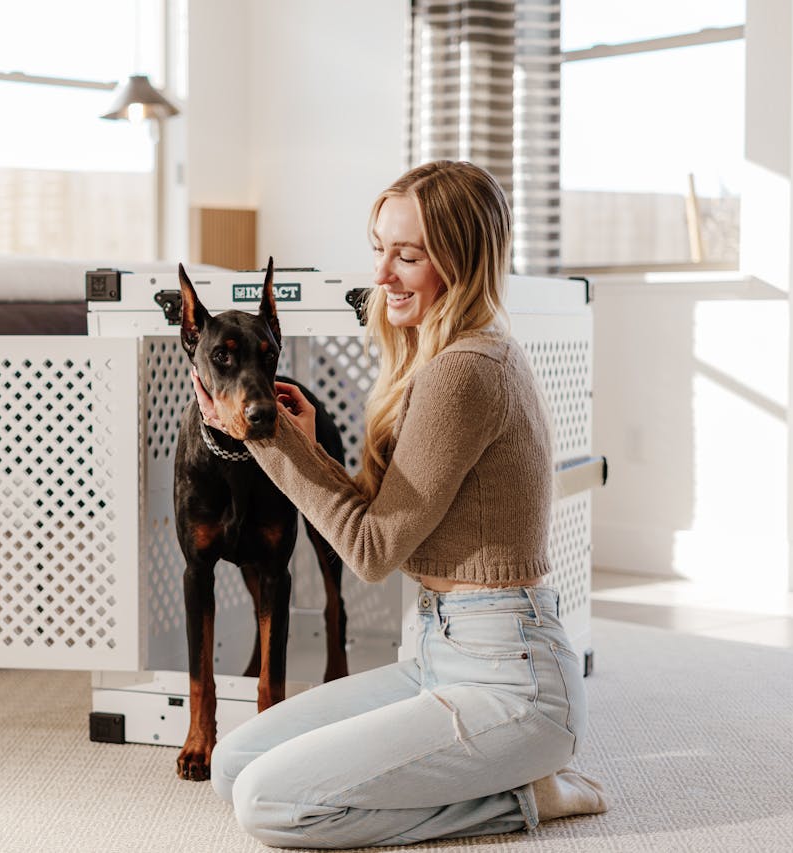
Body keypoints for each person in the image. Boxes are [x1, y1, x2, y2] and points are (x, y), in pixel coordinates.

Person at [190, 160, 608, 849]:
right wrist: (303, 443)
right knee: (234, 765)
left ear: (462, 262)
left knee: (269, 804)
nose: (382, 274)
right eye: (378, 248)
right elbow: (384, 519)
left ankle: (522, 794)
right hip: (440, 654)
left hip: (513, 680)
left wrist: (263, 438)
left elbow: (372, 551)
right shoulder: (435, 358)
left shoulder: (467, 371)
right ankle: (491, 776)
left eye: (406, 255)